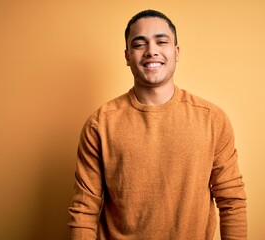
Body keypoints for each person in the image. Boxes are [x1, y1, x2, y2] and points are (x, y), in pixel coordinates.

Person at [68, 9, 247, 240]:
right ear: (126, 56)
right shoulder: (100, 124)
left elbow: (231, 200)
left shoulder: (212, 119)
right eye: (139, 44)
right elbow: (84, 209)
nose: (151, 51)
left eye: (161, 41)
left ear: (176, 52)